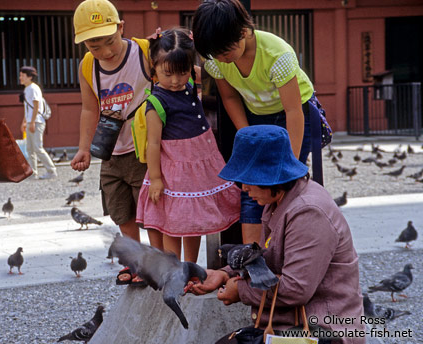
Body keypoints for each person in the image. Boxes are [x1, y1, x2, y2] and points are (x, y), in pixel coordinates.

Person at [190, 125, 365, 344]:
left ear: (270, 177)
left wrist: (240, 290)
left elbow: (296, 288)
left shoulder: (308, 211)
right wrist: (225, 274)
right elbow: (264, 259)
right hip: (293, 324)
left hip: (323, 330)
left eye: (249, 179)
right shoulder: (279, 198)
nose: (243, 188)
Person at [193, 0, 322, 245]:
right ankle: (250, 258)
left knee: (283, 187)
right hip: (255, 116)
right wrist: (248, 137)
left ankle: (287, 250)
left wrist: (290, 164)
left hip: (292, 114)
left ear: (243, 32)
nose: (222, 59)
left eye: (226, 52)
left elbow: (294, 110)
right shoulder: (215, 58)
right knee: (251, 185)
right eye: (216, 55)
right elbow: (229, 96)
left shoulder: (277, 55)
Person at [70, 0, 159, 284]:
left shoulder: (145, 51)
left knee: (153, 211)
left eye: (110, 41)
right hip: (111, 150)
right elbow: (89, 108)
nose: (105, 51)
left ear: (121, 27)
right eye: (95, 46)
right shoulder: (87, 66)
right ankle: (135, 262)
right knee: (121, 212)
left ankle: (158, 263)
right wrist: (84, 148)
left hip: (145, 148)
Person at [135, 28, 240, 262]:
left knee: (194, 222)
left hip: (200, 166)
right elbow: (153, 145)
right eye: (168, 73)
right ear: (154, 67)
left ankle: (190, 268)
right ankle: (173, 271)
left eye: (182, 73)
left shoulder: (191, 84)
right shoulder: (156, 102)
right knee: (173, 222)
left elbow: (211, 67)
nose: (175, 80)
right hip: (175, 170)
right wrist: (156, 178)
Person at [19, 65, 57, 180]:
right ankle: (33, 173)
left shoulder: (33, 88)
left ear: (29, 77)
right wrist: (24, 122)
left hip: (37, 122)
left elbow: (36, 105)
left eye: (22, 76)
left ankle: (51, 171)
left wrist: (33, 122)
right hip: (32, 121)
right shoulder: (27, 88)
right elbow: (28, 108)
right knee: (30, 149)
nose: (20, 78)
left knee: (37, 147)